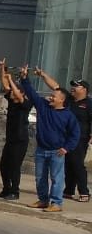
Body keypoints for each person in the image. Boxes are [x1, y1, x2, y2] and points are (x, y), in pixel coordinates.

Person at [18, 66, 80, 212]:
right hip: (41, 149)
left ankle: (56, 203)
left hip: (57, 152)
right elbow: (31, 93)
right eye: (51, 95)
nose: (50, 97)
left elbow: (75, 134)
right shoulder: (43, 106)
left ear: (62, 101)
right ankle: (43, 200)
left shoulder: (68, 116)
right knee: (40, 177)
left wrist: (66, 148)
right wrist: (24, 78)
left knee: (57, 179)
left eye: (54, 96)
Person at [35, 72, 90, 202]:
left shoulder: (89, 103)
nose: (73, 88)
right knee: (67, 164)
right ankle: (68, 190)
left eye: (76, 86)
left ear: (84, 90)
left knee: (77, 164)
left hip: (80, 138)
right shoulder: (68, 100)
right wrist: (43, 75)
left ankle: (84, 191)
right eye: (72, 86)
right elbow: (56, 87)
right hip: (64, 138)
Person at [0, 60, 31, 201]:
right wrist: (2, 69)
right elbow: (5, 84)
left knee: (15, 166)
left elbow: (18, 94)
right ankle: (6, 189)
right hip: (10, 139)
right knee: (4, 165)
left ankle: (15, 191)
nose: (12, 93)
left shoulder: (25, 104)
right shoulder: (11, 101)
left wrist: (12, 81)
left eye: (15, 91)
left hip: (20, 140)